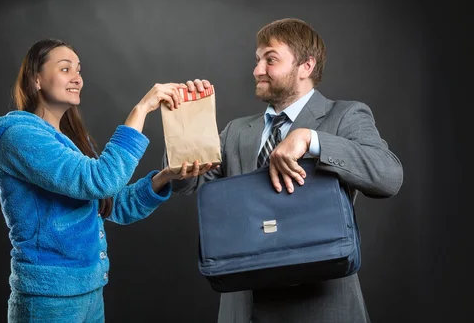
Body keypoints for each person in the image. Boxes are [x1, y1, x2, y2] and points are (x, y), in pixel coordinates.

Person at [169, 18, 403, 323]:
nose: (257, 70)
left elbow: (389, 176)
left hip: (321, 307)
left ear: (306, 66)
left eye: (270, 59)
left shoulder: (345, 116)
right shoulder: (236, 131)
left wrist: (311, 140)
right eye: (257, 60)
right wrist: (186, 125)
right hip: (244, 308)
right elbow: (186, 185)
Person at [0, 38, 216, 323]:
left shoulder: (69, 143)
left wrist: (165, 177)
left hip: (90, 292)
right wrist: (141, 110)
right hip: (48, 301)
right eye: (65, 69)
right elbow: (100, 180)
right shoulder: (19, 137)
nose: (77, 78)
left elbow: (114, 205)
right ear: (36, 80)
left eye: (79, 70)